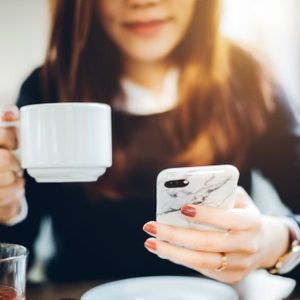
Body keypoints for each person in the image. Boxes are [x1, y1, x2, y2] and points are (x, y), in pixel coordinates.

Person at [0, 0, 300, 284]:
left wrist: (277, 241)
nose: (142, 2)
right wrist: (6, 208)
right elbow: (11, 261)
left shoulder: (246, 76)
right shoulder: (47, 89)